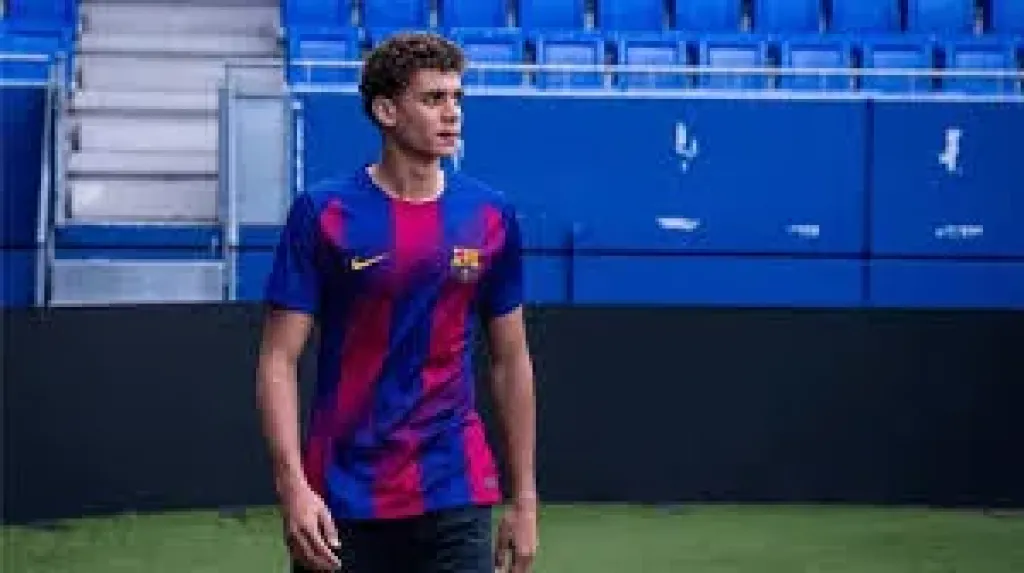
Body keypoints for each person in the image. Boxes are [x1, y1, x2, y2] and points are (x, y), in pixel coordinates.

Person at [256, 32, 539, 573]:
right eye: (433, 99)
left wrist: (524, 500)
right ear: (386, 111)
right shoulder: (323, 213)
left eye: (456, 97)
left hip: (454, 485)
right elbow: (277, 358)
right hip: (341, 495)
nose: (452, 113)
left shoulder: (490, 216)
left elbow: (511, 360)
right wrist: (292, 487)